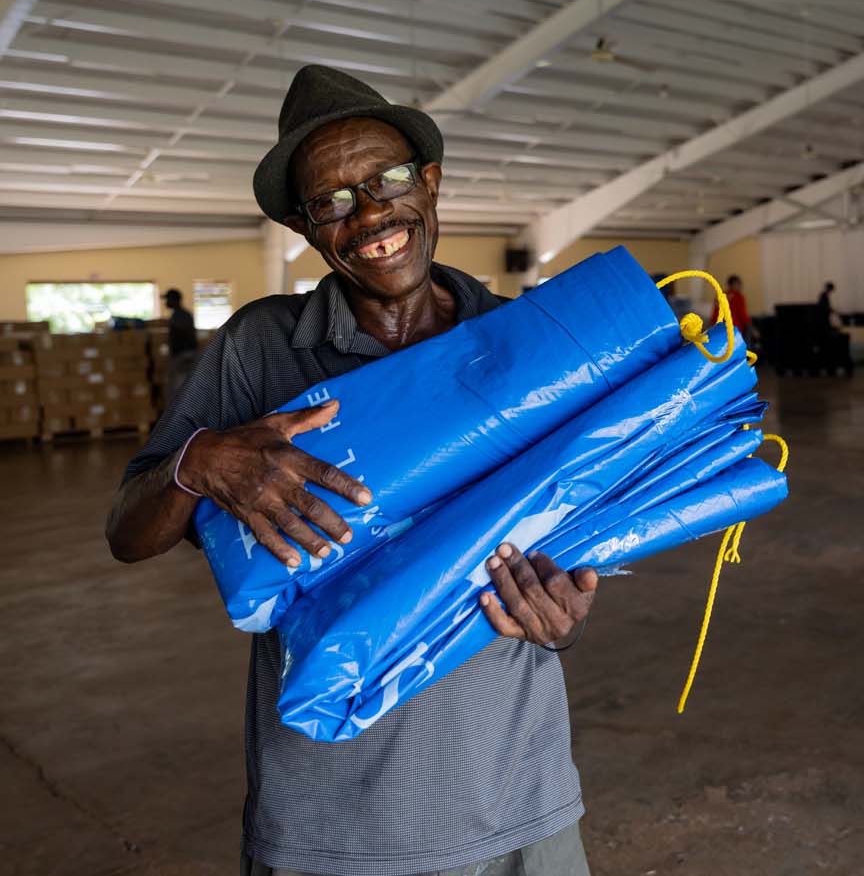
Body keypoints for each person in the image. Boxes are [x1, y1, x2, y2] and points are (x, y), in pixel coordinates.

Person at [105, 65, 596, 876]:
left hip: (520, 793)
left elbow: (576, 537)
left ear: (429, 183)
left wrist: (565, 614)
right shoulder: (262, 347)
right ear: (306, 228)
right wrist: (199, 464)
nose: (369, 215)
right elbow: (128, 531)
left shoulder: (522, 342)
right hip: (333, 815)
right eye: (332, 200)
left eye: (386, 181)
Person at [161, 288, 198, 406]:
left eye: (167, 299)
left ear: (174, 300)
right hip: (181, 356)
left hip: (184, 356)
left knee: (177, 392)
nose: (165, 302)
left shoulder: (181, 316)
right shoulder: (178, 315)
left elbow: (184, 332)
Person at [713, 275, 752, 343]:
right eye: (739, 284)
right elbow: (742, 314)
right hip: (735, 329)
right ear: (734, 284)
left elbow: (714, 314)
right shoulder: (738, 296)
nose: (740, 287)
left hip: (720, 329)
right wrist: (749, 326)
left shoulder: (721, 296)